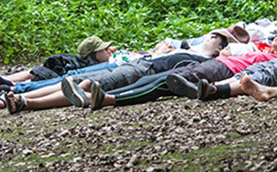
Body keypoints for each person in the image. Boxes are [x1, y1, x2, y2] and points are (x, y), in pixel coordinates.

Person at [81, 27, 277, 111]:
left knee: (164, 84)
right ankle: (105, 97)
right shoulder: (263, 48)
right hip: (215, 64)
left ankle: (110, 99)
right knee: (162, 78)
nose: (276, 37)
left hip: (221, 71)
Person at [3, 30, 229, 113]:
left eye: (216, 38)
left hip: (141, 71)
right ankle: (21, 97)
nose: (211, 37)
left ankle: (24, 102)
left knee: (83, 86)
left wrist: (158, 54)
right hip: (140, 64)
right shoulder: (192, 50)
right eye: (212, 35)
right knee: (76, 80)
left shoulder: (205, 59)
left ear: (219, 49)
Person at [2, 37, 114, 84]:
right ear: (93, 54)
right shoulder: (79, 64)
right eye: (104, 49)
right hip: (52, 72)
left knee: (35, 73)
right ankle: (6, 81)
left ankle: (6, 80)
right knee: (36, 73)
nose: (108, 51)